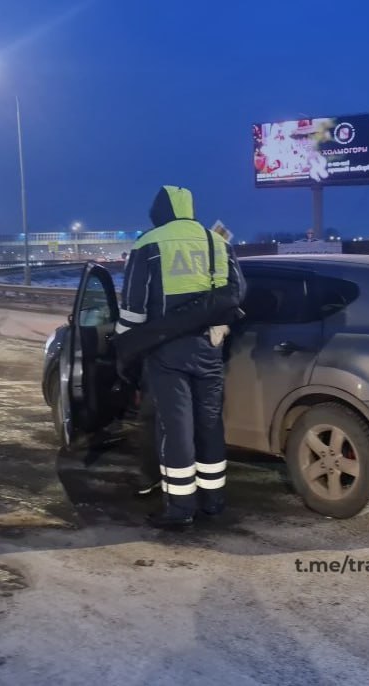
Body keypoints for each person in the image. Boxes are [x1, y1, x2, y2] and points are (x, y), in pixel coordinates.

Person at [117, 185, 243, 528]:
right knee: (210, 423)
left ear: (159, 212)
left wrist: (125, 344)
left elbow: (133, 308)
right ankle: (214, 501)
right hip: (210, 349)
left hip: (168, 352)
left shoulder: (148, 244)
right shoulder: (216, 242)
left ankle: (179, 509)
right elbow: (237, 292)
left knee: (175, 428)